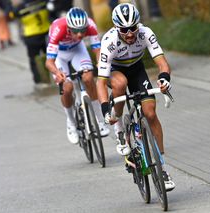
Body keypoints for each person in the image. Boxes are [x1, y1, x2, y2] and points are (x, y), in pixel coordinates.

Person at [96, 3, 175, 191]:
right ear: (117, 28)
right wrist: (105, 108)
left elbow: (162, 63)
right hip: (115, 71)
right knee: (120, 84)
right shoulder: (109, 41)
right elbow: (100, 82)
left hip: (137, 70)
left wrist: (164, 79)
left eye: (133, 27)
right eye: (124, 29)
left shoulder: (146, 33)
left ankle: (162, 167)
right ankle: (120, 131)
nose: (130, 33)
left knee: (151, 113)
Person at [45, 7, 110, 144]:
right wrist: (58, 73)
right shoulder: (58, 28)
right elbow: (49, 62)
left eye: (82, 30)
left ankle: (99, 120)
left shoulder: (91, 25)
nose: (80, 34)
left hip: (77, 50)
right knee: (67, 88)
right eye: (75, 31)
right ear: (69, 27)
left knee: (88, 78)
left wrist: (100, 64)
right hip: (59, 55)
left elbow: (97, 50)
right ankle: (71, 122)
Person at [11, 0, 50, 86]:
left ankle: (38, 80)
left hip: (31, 35)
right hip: (46, 32)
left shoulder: (20, 7)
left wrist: (13, 6)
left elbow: (12, 15)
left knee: (33, 60)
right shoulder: (43, 2)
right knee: (51, 56)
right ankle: (54, 77)